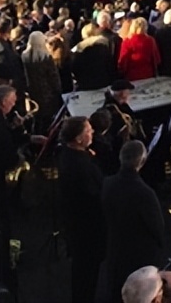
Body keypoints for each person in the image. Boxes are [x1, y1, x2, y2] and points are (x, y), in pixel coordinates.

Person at [0, 85, 46, 225]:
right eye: (12, 100)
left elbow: (6, 137)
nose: (14, 103)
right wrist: (18, 161)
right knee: (0, 216)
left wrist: (29, 137)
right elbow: (1, 150)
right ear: (3, 102)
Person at [102, 140, 166, 302]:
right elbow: (157, 227)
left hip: (115, 249)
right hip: (139, 255)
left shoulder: (107, 183)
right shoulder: (145, 193)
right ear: (142, 162)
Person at [57, 116, 105, 303]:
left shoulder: (71, 155)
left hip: (78, 227)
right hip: (86, 230)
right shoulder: (80, 166)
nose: (92, 132)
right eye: (88, 130)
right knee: (86, 274)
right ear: (78, 138)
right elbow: (94, 198)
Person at [22, 30, 62, 132]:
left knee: (36, 117)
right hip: (47, 93)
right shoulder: (45, 57)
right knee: (48, 119)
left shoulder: (24, 56)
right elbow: (53, 77)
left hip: (31, 91)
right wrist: (58, 90)